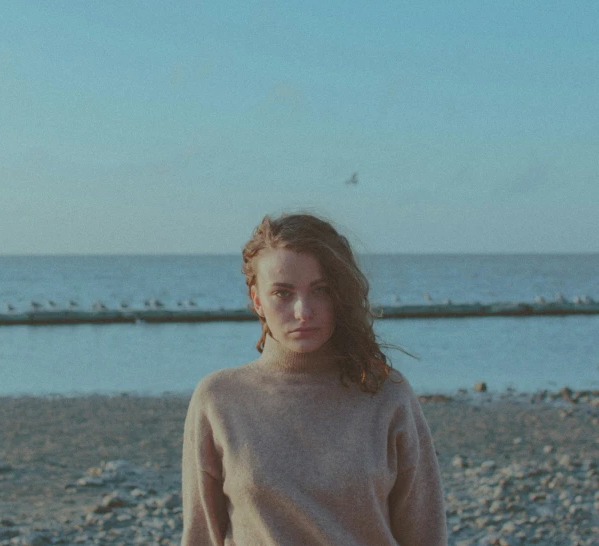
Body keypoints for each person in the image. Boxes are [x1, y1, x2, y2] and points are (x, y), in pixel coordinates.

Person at [181, 213, 447, 545]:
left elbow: (425, 536)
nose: (303, 311)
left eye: (320, 290)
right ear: (257, 300)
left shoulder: (387, 393)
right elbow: (201, 536)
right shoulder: (219, 398)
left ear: (341, 294)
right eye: (282, 293)